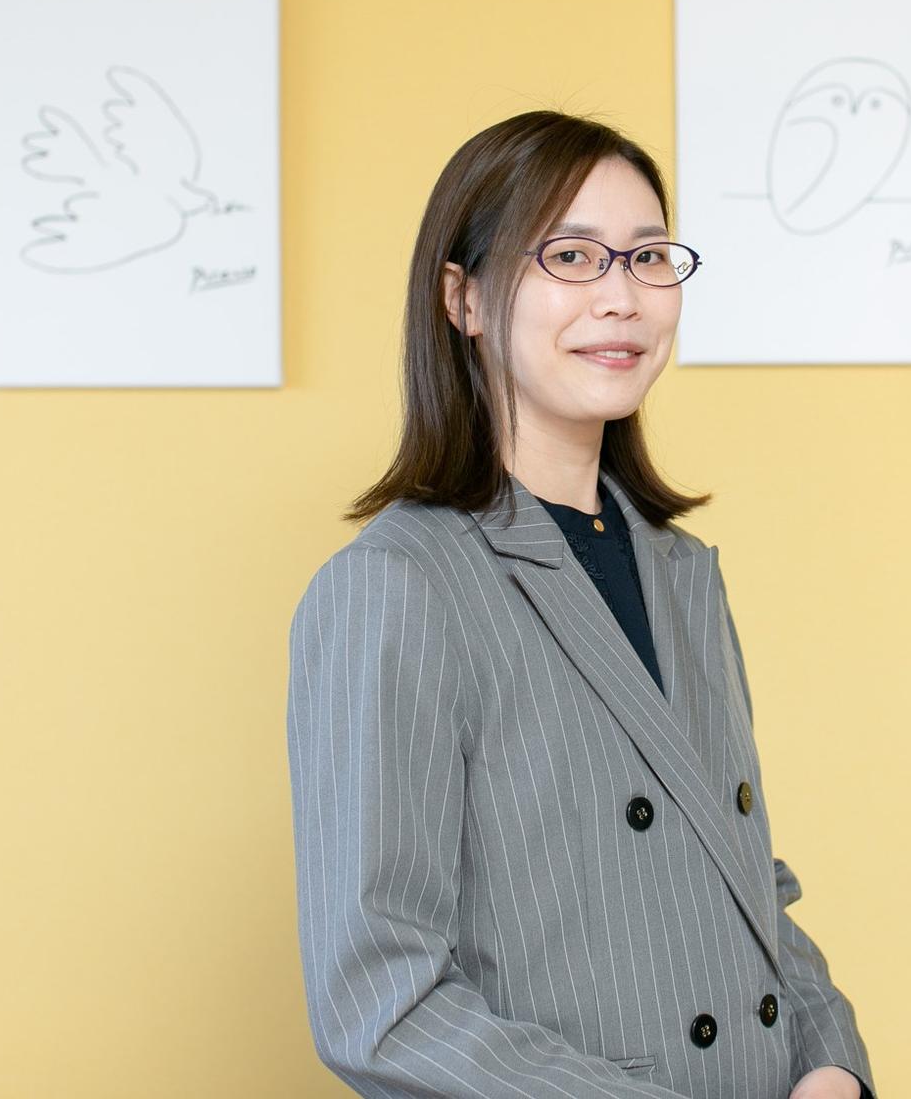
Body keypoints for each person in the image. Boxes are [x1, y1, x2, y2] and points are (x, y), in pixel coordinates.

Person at [286, 110, 877, 1099]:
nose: (622, 297)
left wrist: (830, 1058)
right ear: (464, 298)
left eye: (648, 257)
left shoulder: (680, 569)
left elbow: (742, 883)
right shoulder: (399, 585)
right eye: (570, 256)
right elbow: (381, 1004)